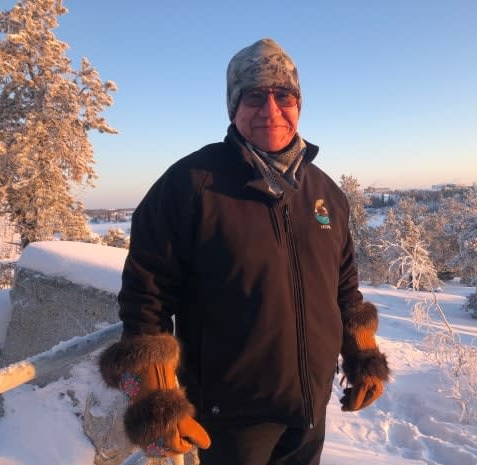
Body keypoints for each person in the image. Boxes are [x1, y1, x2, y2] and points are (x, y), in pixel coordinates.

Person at [99, 38, 390, 465]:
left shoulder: (325, 193)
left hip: (310, 408)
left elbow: (343, 288)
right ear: (233, 106)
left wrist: (362, 353)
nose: (271, 110)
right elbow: (146, 300)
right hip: (230, 418)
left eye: (283, 96)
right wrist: (155, 399)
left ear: (299, 105)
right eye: (255, 96)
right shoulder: (190, 185)